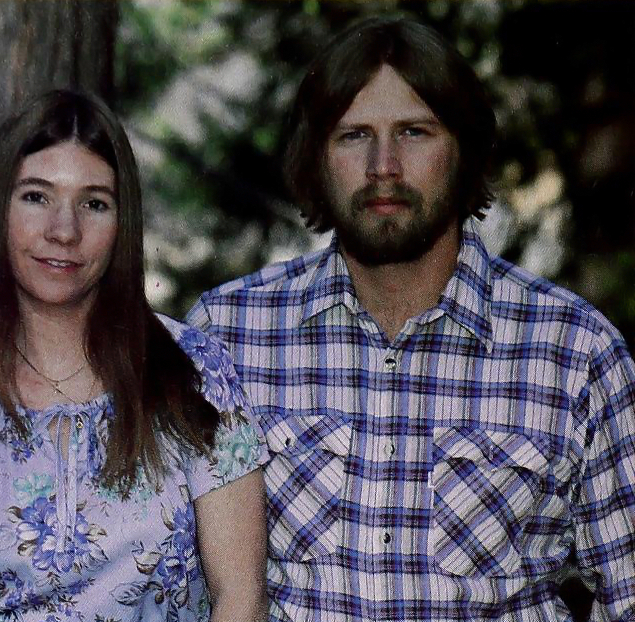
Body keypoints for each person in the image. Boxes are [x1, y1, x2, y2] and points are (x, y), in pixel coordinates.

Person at [187, 15, 635, 622]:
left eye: (414, 132)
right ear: (315, 158)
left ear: (464, 151)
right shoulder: (227, 336)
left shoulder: (576, 352)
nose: (384, 166)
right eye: (353, 136)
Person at [0, 90, 269, 622]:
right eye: (36, 197)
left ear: (122, 223)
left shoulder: (193, 370)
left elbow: (241, 597)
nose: (64, 231)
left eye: (94, 204)